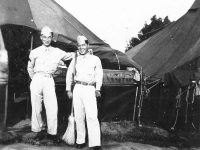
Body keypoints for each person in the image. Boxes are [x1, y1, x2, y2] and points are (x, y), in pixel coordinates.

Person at [27, 26, 74, 143]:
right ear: (41, 38)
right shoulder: (35, 52)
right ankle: (37, 131)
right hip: (37, 79)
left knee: (52, 107)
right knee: (36, 107)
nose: (47, 39)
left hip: (49, 79)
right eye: (44, 37)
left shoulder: (57, 52)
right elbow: (29, 68)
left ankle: (52, 133)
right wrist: (35, 79)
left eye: (49, 37)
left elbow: (70, 55)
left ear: (52, 38)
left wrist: (82, 52)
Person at [66, 35, 103, 150]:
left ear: (88, 45)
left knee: (92, 116)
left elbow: (99, 74)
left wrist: (98, 88)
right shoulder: (75, 59)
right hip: (77, 88)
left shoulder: (95, 59)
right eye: (79, 45)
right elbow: (69, 74)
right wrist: (68, 89)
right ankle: (80, 141)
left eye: (83, 45)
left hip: (89, 88)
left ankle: (95, 143)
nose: (81, 47)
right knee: (79, 116)